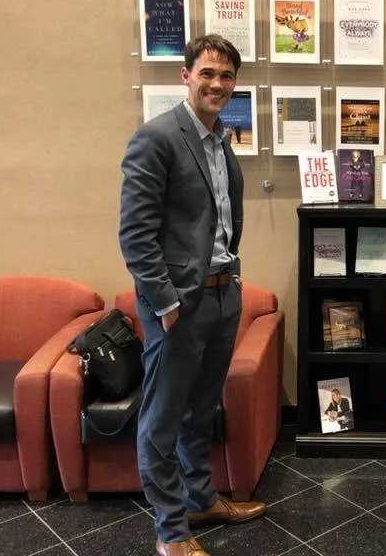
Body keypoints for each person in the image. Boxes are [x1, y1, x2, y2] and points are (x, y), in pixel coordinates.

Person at [119, 33, 266, 556]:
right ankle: (170, 530)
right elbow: (135, 236)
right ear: (185, 75)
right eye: (207, 73)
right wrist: (164, 302)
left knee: (200, 409)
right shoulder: (156, 138)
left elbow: (217, 225)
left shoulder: (221, 141)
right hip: (178, 306)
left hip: (223, 296)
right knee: (162, 416)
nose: (218, 84)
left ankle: (199, 498)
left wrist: (232, 283)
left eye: (227, 75)